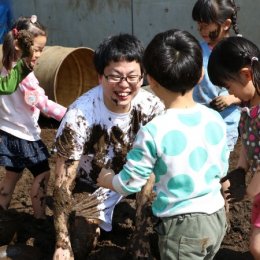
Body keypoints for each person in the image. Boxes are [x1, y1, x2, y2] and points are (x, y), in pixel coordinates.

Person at [97, 29, 229, 260]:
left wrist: (108, 179)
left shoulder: (154, 131)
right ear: (200, 74)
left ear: (151, 80)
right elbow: (222, 166)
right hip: (216, 215)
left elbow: (131, 182)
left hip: (183, 226)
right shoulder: (214, 118)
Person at [52, 33, 164, 259]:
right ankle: (96, 219)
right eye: (115, 76)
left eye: (132, 76)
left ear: (143, 77)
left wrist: (141, 235)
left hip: (136, 180)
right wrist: (61, 244)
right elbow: (62, 183)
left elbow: (156, 166)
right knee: (80, 243)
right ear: (100, 78)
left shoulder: (152, 107)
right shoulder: (79, 115)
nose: (124, 85)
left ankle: (138, 229)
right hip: (94, 185)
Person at [0, 15, 67, 221]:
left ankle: (1, 213)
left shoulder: (6, 65)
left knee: (12, 175)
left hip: (7, 131)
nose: (40, 54)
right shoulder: (24, 74)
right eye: (37, 49)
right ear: (22, 45)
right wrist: (69, 114)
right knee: (43, 173)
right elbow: (43, 103)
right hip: (24, 135)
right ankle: (39, 218)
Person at [207, 36, 260, 260]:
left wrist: (247, 192)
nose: (230, 94)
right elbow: (248, 143)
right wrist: (240, 169)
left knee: (257, 247)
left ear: (246, 75)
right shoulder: (248, 107)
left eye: (228, 87)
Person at [192, 0, 242, 211]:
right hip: (199, 118)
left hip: (226, 121)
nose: (200, 29)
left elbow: (252, 88)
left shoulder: (238, 51)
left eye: (206, 25)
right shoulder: (199, 50)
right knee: (199, 162)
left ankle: (225, 209)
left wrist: (231, 99)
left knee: (221, 166)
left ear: (226, 24)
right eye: (199, 24)